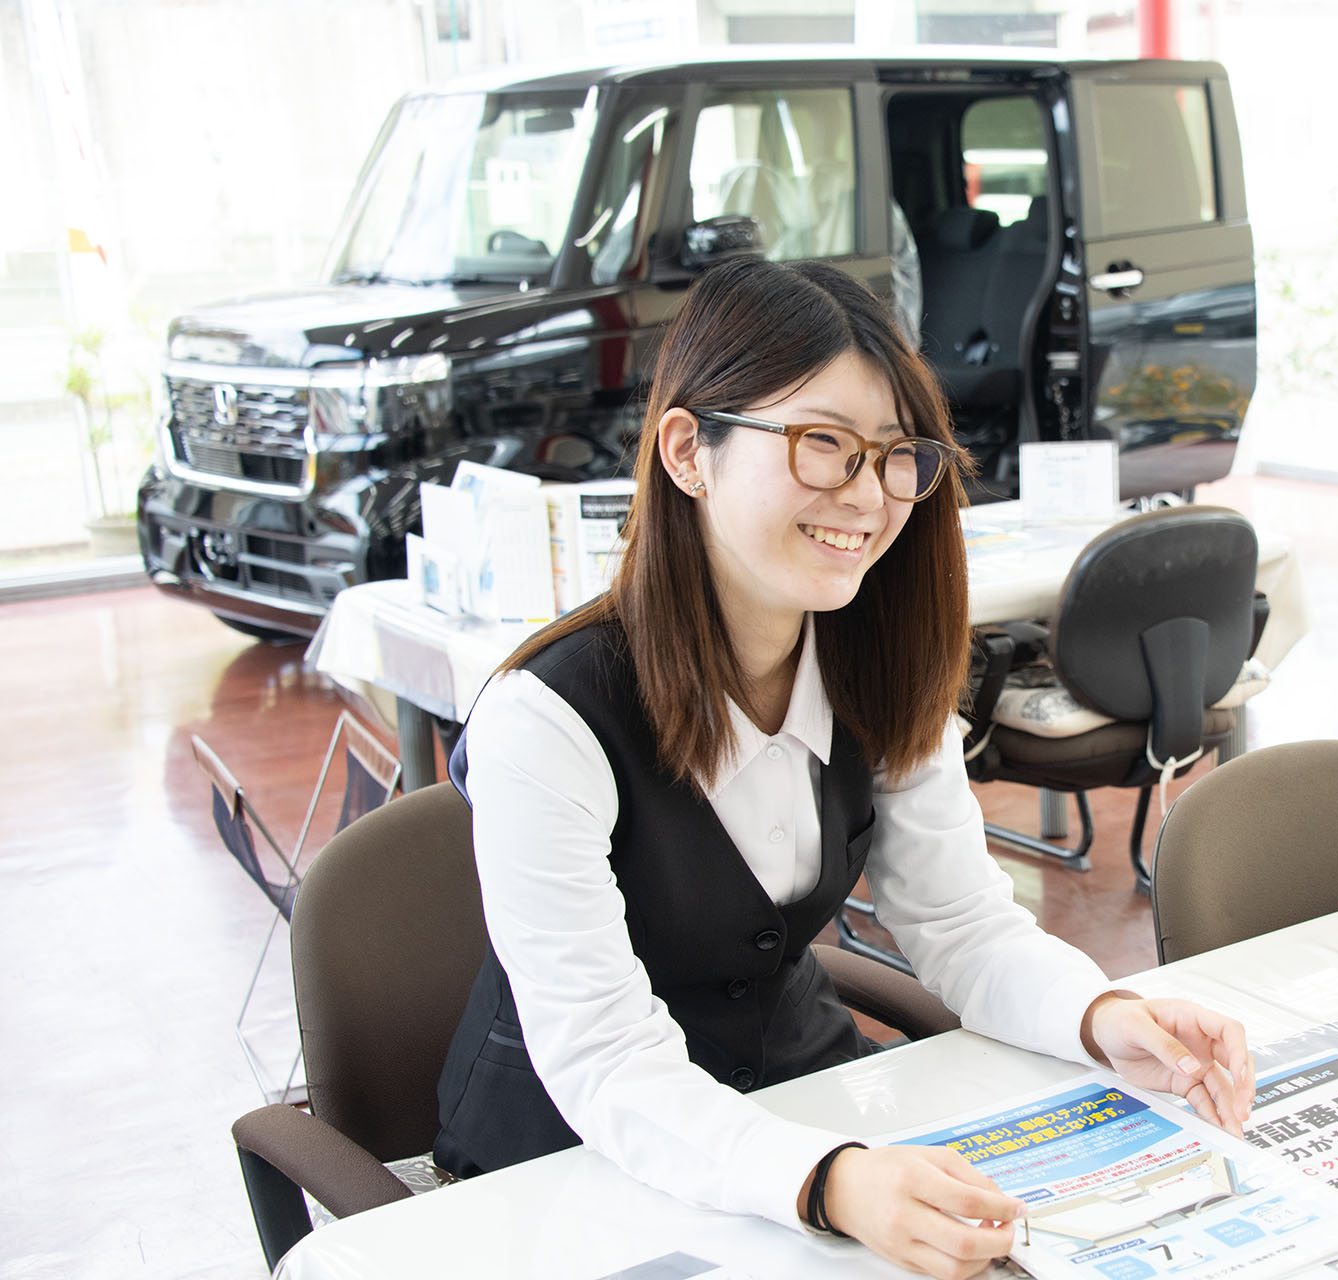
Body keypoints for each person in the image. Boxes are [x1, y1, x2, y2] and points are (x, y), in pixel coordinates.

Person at [434, 256, 1253, 1278]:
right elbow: (604, 1058)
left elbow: (961, 925)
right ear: (689, 449)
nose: (868, 495)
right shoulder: (549, 719)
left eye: (896, 455)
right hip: (570, 1166)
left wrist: (1102, 1016)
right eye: (824, 444)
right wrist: (826, 1177)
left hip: (800, 1110)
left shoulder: (880, 662)